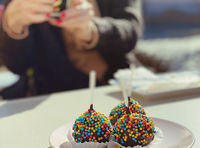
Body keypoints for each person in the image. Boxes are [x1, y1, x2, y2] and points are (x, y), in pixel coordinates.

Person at [1, 0, 143, 95]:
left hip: (118, 87)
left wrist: (91, 30)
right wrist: (14, 28)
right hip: (52, 94)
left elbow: (131, 31)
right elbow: (17, 65)